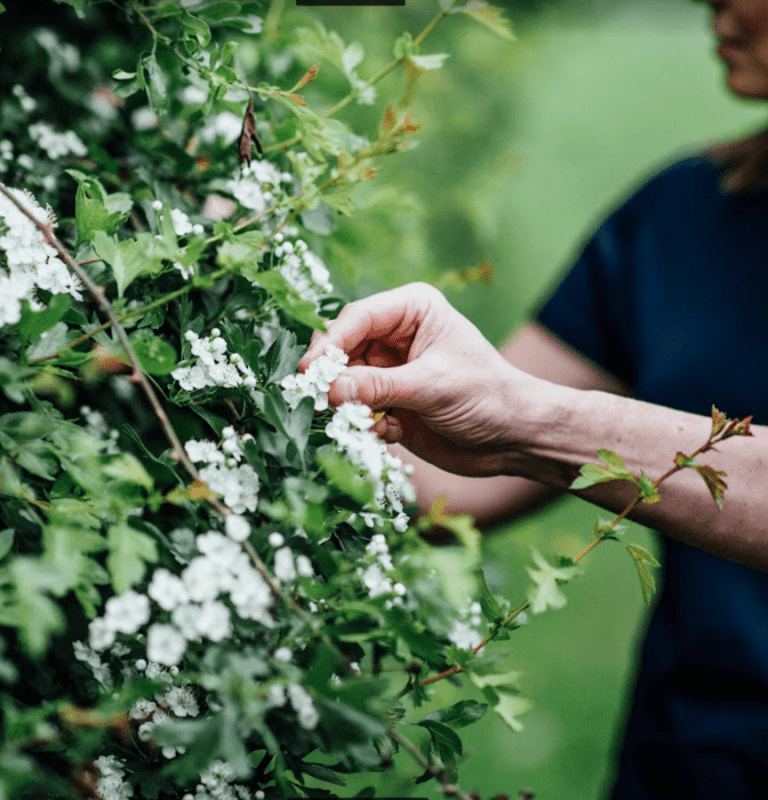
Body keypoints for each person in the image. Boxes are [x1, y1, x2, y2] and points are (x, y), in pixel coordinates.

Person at [300, 1, 768, 797]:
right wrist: (257, 347)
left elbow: (511, 418)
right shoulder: (685, 214)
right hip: (690, 761)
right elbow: (441, 478)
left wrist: (525, 420)